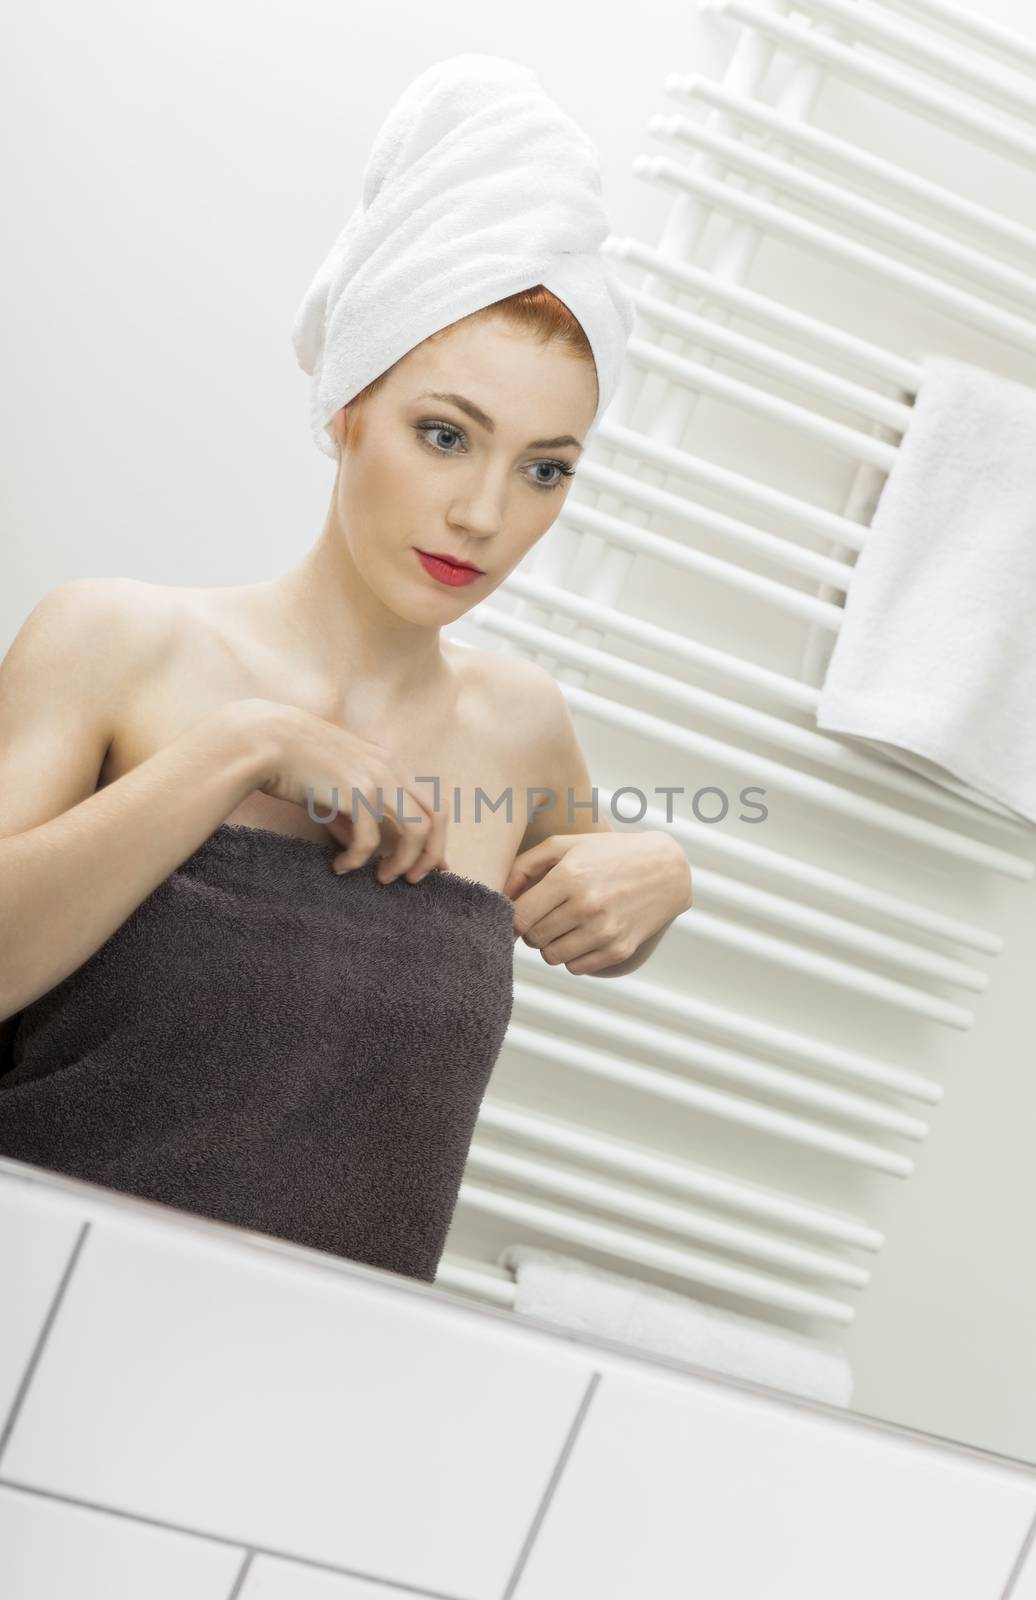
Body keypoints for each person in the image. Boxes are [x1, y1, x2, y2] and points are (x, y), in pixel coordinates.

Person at [0, 54, 691, 1281]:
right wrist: (243, 750)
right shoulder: (116, 643)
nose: (483, 512)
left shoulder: (518, 730)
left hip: (322, 1410)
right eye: (444, 435)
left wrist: (660, 869)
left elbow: (586, 898)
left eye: (545, 467)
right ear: (345, 408)